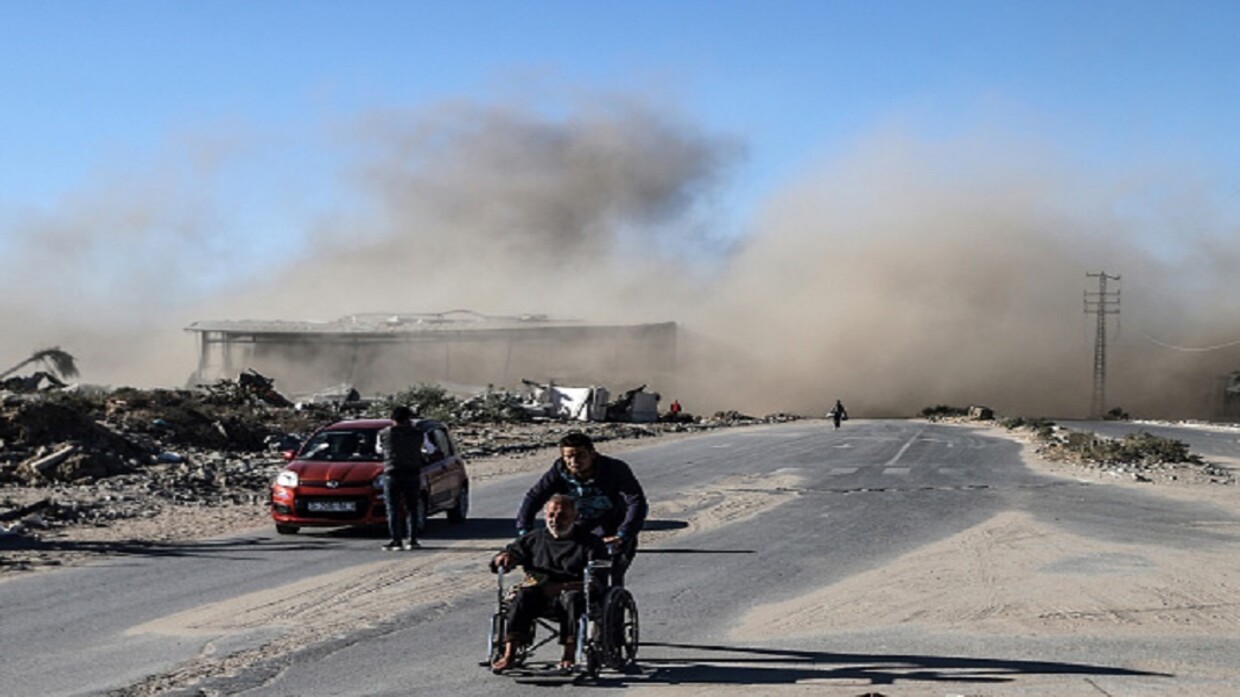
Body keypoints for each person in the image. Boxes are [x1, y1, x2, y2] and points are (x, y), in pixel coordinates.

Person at [490, 495, 609, 674]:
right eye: (551, 515)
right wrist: (503, 558)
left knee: (571, 598)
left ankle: (569, 654)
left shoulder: (591, 543)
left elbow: (596, 582)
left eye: (562, 516)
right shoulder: (534, 539)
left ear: (575, 517)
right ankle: (509, 654)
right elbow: (509, 553)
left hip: (576, 593)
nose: (555, 520)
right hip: (541, 594)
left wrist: (561, 588)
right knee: (522, 595)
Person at [516, 432, 647, 586]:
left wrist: (623, 534)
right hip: (579, 527)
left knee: (609, 574)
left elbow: (636, 501)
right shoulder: (559, 472)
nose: (574, 461)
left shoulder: (615, 469)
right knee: (568, 571)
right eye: (568, 457)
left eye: (580, 455)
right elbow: (534, 497)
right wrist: (524, 530)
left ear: (593, 453)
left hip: (612, 527)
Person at [377, 405, 428, 551]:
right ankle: (412, 540)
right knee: (412, 508)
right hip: (412, 474)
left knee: (392, 509)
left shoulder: (384, 433)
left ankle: (396, 541)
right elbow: (429, 449)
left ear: (393, 419)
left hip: (392, 474)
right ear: (408, 419)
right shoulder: (419, 433)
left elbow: (379, 449)